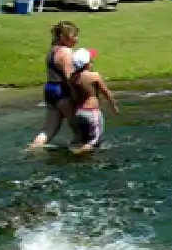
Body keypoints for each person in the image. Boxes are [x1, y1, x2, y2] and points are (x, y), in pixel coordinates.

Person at [29, 20, 79, 149]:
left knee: (48, 130)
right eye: (74, 36)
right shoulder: (65, 52)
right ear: (63, 37)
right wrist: (76, 97)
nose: (76, 39)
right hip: (62, 92)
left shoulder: (52, 51)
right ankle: (81, 156)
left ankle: (32, 150)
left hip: (50, 90)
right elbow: (70, 78)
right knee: (78, 128)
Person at [68, 48, 118, 152]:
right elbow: (106, 93)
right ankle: (79, 153)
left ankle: (77, 152)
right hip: (92, 113)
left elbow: (73, 96)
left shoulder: (72, 78)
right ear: (86, 64)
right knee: (95, 141)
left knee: (83, 139)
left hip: (79, 113)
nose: (92, 62)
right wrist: (114, 106)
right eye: (91, 60)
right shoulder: (94, 76)